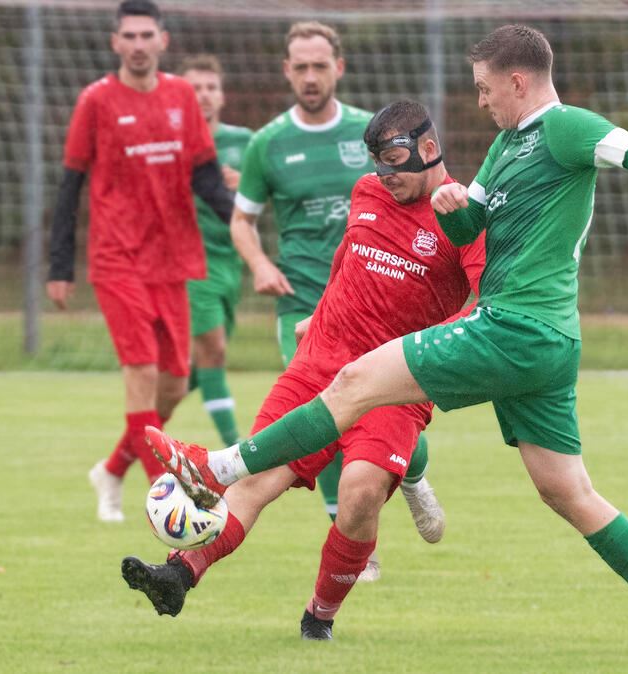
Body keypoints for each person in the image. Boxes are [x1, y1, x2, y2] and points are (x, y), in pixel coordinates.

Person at [152, 25, 628, 651]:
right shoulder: (504, 148)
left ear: (517, 81)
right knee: (566, 489)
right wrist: (454, 209)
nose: (479, 101)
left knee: (355, 381)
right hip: (550, 344)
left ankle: (218, 466)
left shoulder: (564, 127)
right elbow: (468, 227)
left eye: (484, 88)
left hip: (513, 324)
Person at [122, 100, 484, 641]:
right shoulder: (368, 192)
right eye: (377, 163)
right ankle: (178, 575)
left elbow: (482, 304)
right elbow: (349, 257)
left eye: (393, 161)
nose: (384, 175)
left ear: (428, 149)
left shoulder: (465, 218)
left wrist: (433, 355)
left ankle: (320, 616)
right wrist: (319, 312)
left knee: (359, 494)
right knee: (257, 477)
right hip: (320, 362)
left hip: (393, 383)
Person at [227, 21, 444, 579]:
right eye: (299, 66)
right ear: (286, 71)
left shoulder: (373, 137)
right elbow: (242, 221)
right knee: (320, 414)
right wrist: (260, 265)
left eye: (319, 65)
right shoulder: (267, 143)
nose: (310, 76)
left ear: (338, 68)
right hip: (303, 300)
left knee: (377, 408)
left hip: (383, 302)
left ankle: (412, 471)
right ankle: (350, 536)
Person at [46, 0, 235, 522]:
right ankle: (167, 498)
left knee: (173, 383)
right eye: (128, 36)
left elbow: (206, 176)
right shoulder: (96, 100)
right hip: (117, 257)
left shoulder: (181, 97)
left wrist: (239, 223)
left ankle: (112, 469)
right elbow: (70, 184)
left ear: (162, 41)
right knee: (142, 371)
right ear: (115, 43)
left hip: (172, 258)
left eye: (145, 35)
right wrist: (59, 264)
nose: (137, 45)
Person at [179, 53, 253, 448]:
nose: (204, 95)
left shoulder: (245, 143)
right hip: (189, 263)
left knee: (198, 365)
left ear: (222, 96)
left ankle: (133, 438)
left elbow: (267, 199)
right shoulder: (170, 144)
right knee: (215, 351)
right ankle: (234, 451)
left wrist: (246, 187)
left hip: (230, 262)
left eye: (211, 88)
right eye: (195, 88)